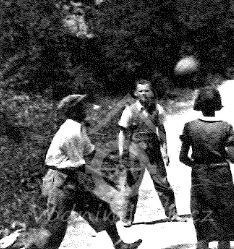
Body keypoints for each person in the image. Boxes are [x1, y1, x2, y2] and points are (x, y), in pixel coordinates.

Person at [19, 94, 143, 249]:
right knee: (55, 226)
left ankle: (119, 244)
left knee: (99, 208)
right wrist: (105, 178)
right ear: (73, 111)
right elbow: (79, 165)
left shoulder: (79, 127)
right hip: (59, 181)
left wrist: (115, 160)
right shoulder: (71, 131)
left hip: (71, 178)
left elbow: (90, 151)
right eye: (81, 107)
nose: (85, 109)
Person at [179, 87, 234, 249]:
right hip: (222, 175)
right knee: (224, 217)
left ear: (198, 105)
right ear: (218, 104)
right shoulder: (225, 127)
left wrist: (197, 165)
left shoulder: (190, 127)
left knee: (202, 217)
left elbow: (183, 157)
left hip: (200, 175)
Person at [117, 79, 181, 227]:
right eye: (140, 91)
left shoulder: (157, 109)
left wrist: (165, 151)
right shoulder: (129, 111)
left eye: (147, 90)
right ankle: (127, 218)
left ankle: (172, 214)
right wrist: (122, 153)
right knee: (131, 186)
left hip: (153, 152)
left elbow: (162, 131)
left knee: (162, 183)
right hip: (135, 153)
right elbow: (122, 133)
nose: (144, 94)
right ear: (135, 93)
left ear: (152, 92)